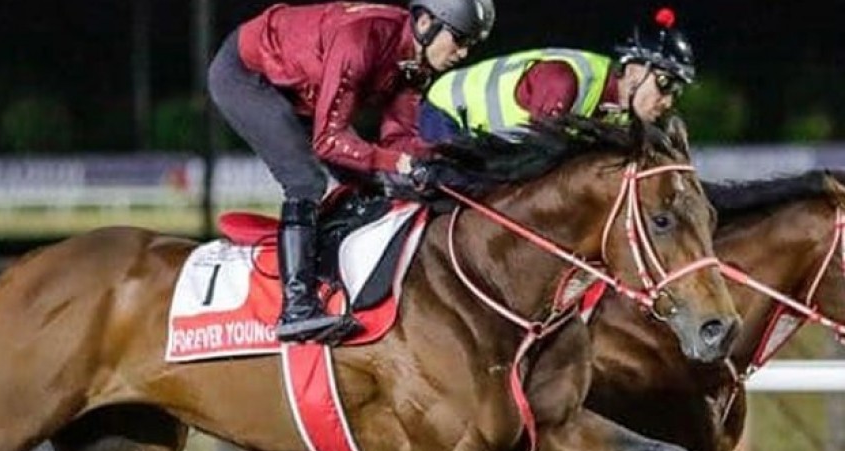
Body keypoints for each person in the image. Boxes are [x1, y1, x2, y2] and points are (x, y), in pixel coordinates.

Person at [208, 0, 495, 344]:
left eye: (470, 46)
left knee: (371, 180)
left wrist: (446, 168)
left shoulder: (415, 65)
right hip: (247, 76)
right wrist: (400, 164)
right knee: (306, 180)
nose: (462, 54)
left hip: (301, 86)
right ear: (424, 24)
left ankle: (338, 275)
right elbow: (329, 141)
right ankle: (296, 307)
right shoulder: (362, 41)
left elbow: (400, 141)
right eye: (459, 39)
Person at [419, 7, 694, 142]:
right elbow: (534, 166)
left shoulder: (622, 113)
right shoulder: (565, 81)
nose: (668, 101)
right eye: (664, 83)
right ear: (634, 71)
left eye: (677, 91)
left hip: (490, 139)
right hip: (448, 112)